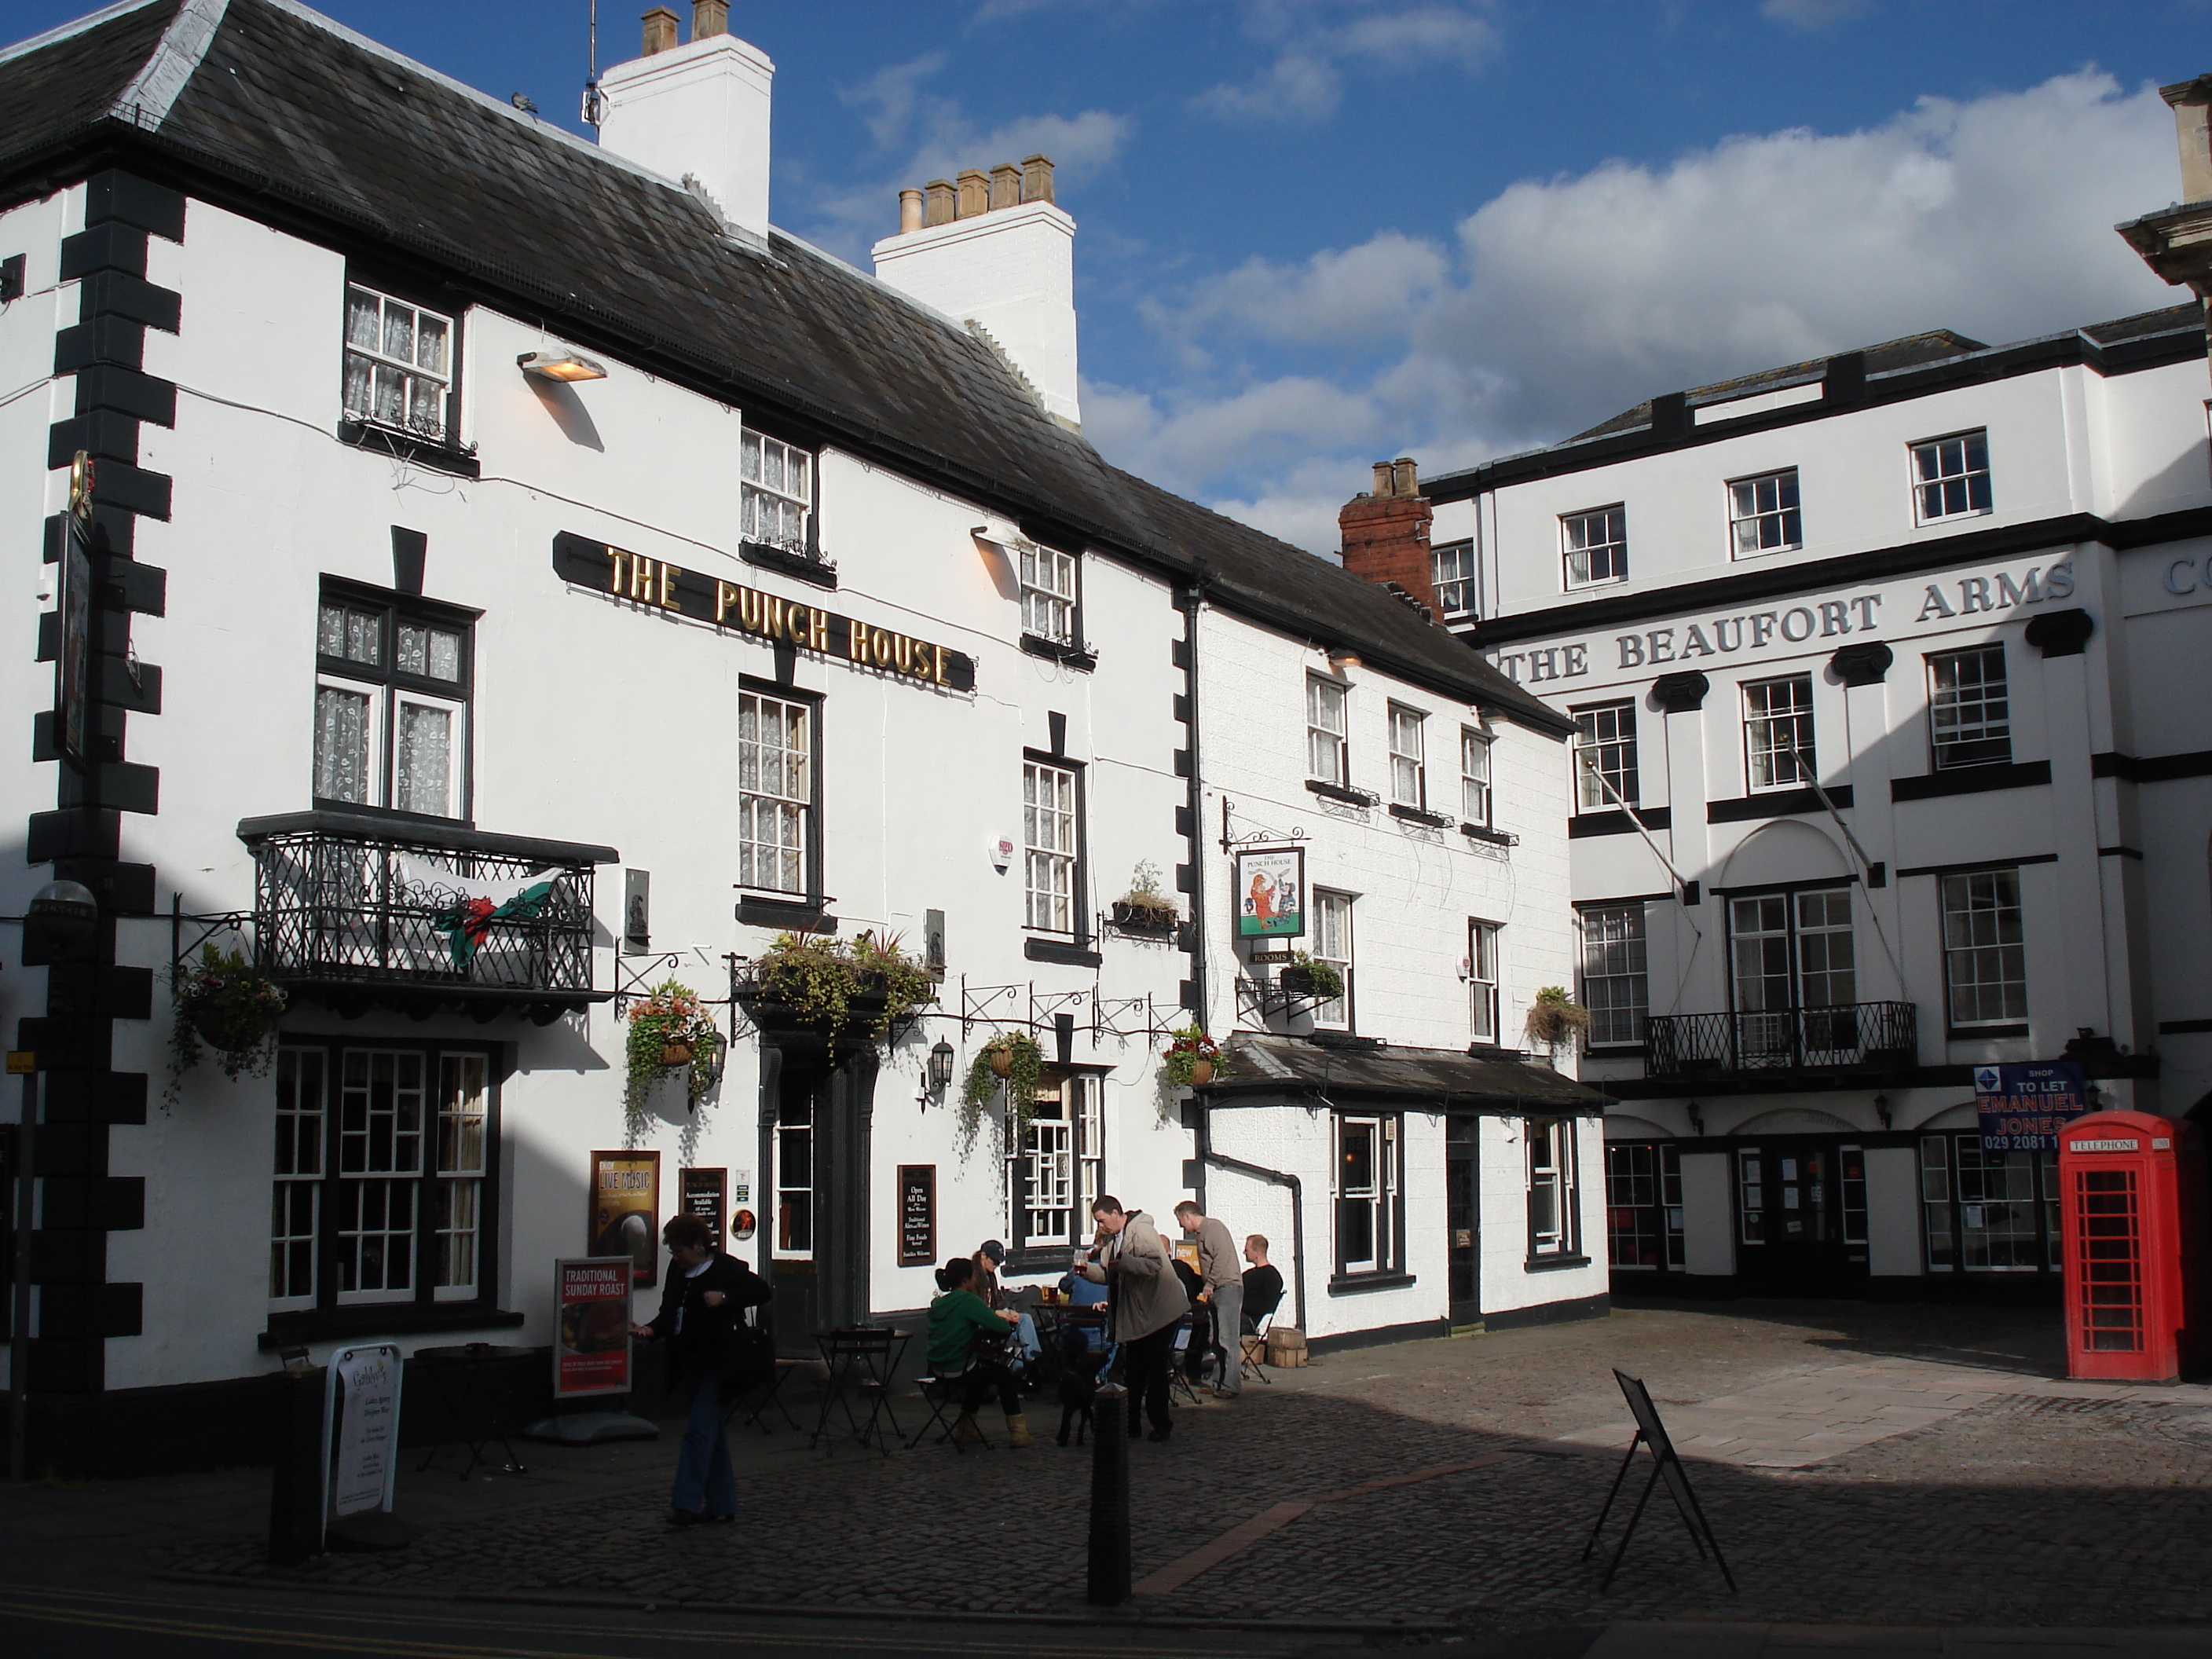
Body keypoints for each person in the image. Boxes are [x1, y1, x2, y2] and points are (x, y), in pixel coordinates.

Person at [630, 1214, 771, 1526]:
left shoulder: (725, 1268)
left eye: (680, 1252)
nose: (677, 1258)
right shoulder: (678, 1272)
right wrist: (650, 1331)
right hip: (688, 1361)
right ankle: (722, 1503)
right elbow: (669, 1312)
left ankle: (686, 1503)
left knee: (697, 1431)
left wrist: (725, 1298)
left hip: (721, 1363)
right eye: (674, 1253)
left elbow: (762, 1291)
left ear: (699, 1246)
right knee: (711, 1433)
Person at [1076, 1196, 1187, 1442]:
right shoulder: (1115, 1240)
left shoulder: (1142, 1231)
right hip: (1138, 1315)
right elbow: (1110, 1273)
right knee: (1134, 1371)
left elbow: (1154, 1265)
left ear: (1116, 1213)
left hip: (1159, 1313)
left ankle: (1161, 1425)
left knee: (1155, 1370)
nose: (1101, 1227)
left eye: (1102, 1220)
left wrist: (1124, 1263)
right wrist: (1088, 1271)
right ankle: (1132, 1424)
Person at [928, 1256, 1031, 1447]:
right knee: (1002, 1374)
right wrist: (999, 1317)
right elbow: (1001, 1328)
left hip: (937, 1368)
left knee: (979, 1374)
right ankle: (1019, 1432)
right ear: (967, 1279)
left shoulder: (939, 1304)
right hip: (960, 1368)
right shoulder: (968, 1300)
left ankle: (967, 1429)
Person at [1175, 1200, 1244, 1399]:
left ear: (1187, 1216)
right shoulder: (1202, 1233)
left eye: (1181, 1220)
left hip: (1227, 1288)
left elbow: (1221, 1257)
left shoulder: (1213, 1228)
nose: (1181, 1226)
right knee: (1215, 1339)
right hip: (1217, 1290)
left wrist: (1210, 1282)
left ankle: (1231, 1385)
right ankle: (1218, 1383)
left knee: (1227, 1339)